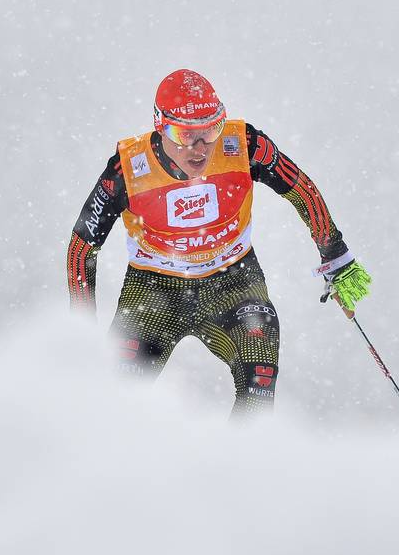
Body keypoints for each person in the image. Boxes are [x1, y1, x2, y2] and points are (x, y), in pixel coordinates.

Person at [65, 69, 371, 418]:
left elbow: (301, 189)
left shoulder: (244, 145)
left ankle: (240, 453)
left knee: (259, 380)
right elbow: (81, 249)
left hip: (233, 283)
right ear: (161, 126)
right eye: (185, 135)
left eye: (211, 130)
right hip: (153, 292)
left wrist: (336, 257)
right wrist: (80, 331)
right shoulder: (128, 168)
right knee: (115, 400)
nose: (200, 149)